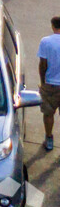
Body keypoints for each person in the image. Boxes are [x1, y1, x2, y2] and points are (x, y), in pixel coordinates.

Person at [39, 16, 60, 151]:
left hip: (50, 84)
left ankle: (49, 138)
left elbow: (43, 64)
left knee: (48, 114)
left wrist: (42, 83)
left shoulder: (46, 42)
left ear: (53, 26)